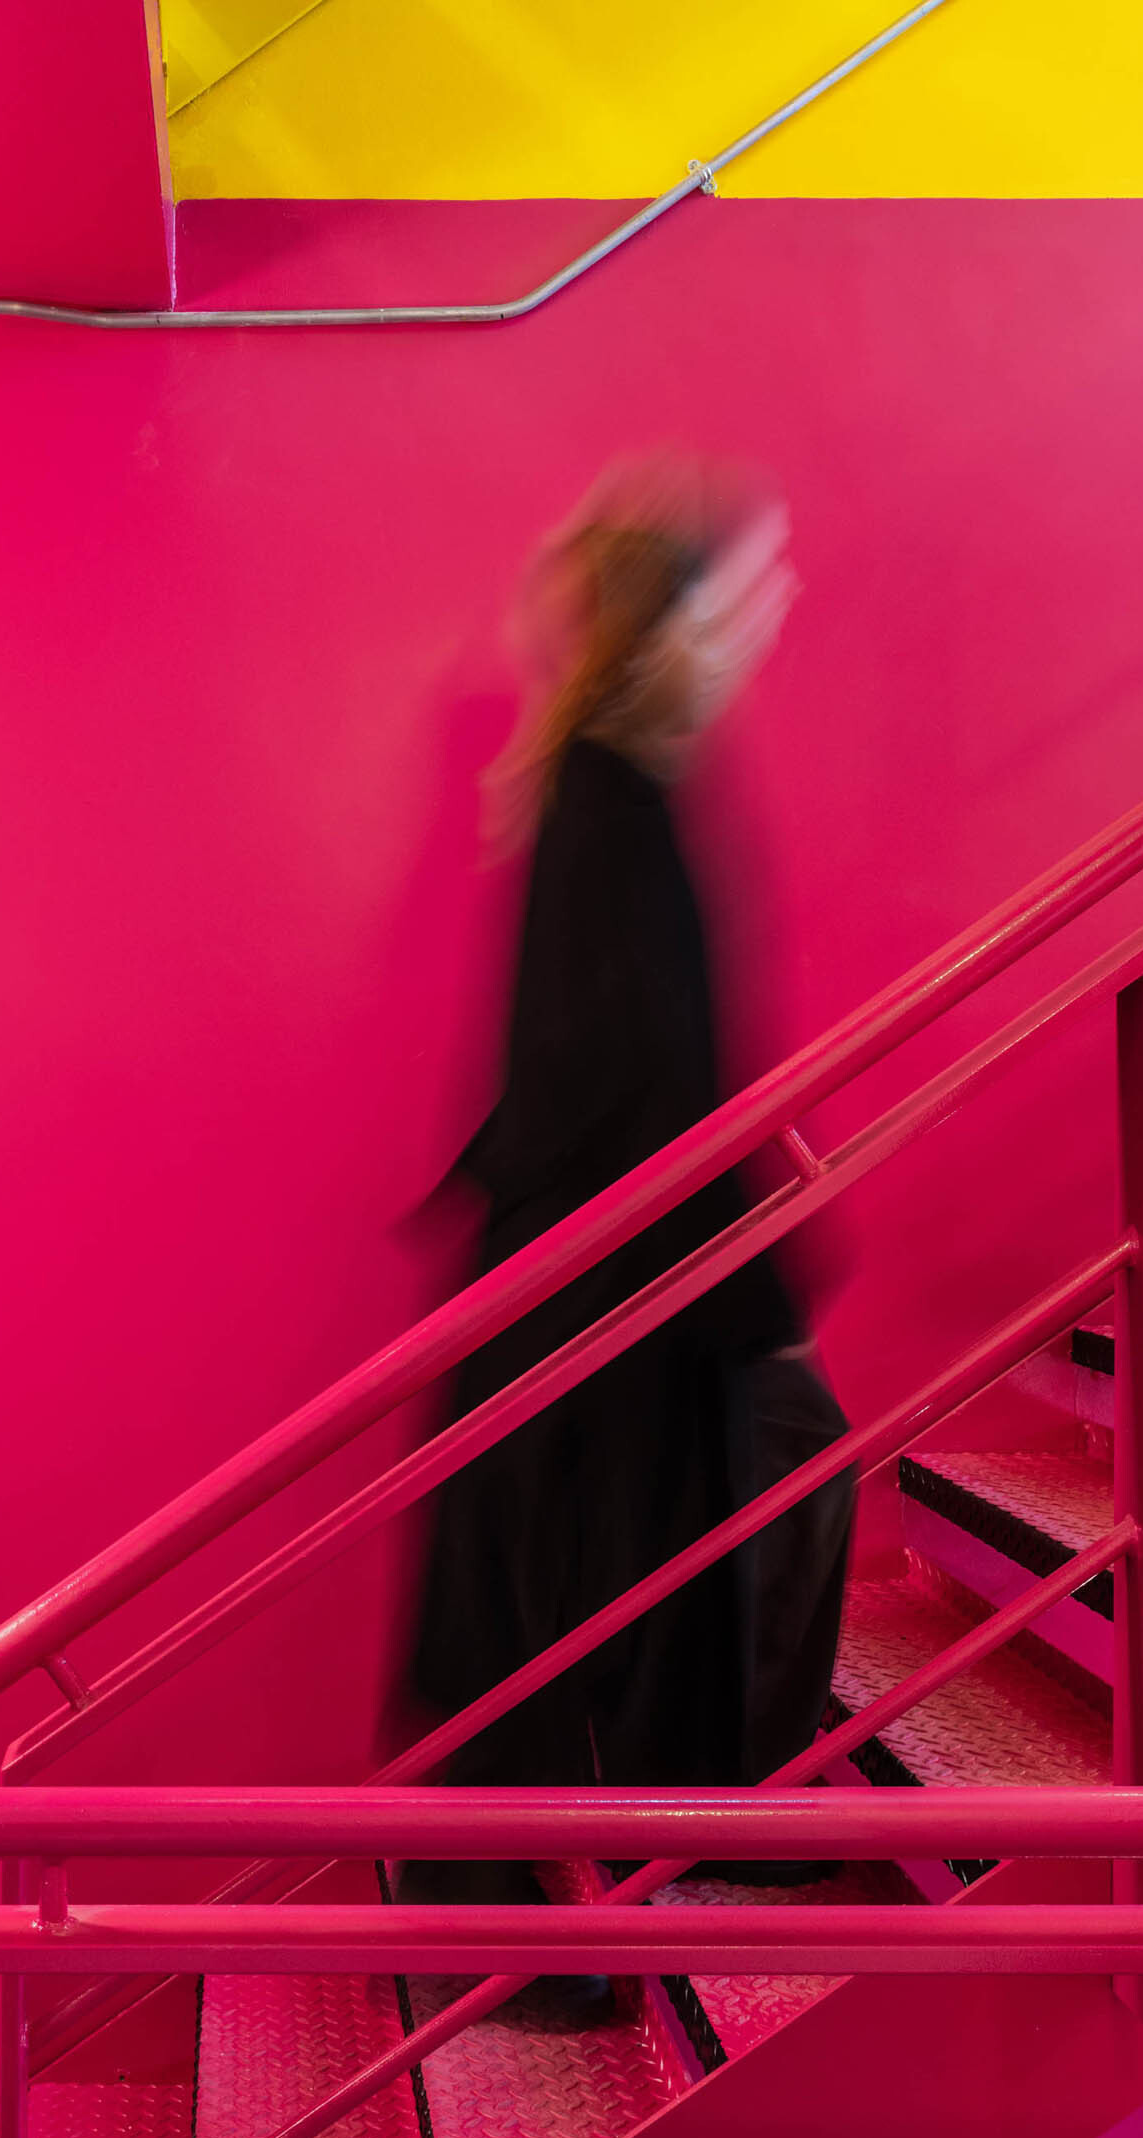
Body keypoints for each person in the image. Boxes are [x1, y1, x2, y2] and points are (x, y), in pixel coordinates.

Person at [395, 461, 854, 2013]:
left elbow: (634, 1059)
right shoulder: (616, 790)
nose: (777, 601)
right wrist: (759, 1288)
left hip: (610, 1257)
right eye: (751, 581)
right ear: (685, 618)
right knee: (592, 1571)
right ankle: (568, 1916)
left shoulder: (611, 777)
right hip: (612, 1267)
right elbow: (638, 1069)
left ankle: (639, 1867)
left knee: (583, 1572)